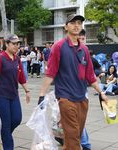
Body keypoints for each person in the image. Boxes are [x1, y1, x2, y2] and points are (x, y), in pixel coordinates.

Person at [38, 14, 108, 150]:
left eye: (79, 23)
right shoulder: (58, 47)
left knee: (72, 139)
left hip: (82, 99)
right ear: (66, 26)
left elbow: (90, 76)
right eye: (73, 23)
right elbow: (51, 72)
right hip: (66, 98)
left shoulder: (85, 50)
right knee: (74, 139)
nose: (76, 25)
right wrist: (41, 94)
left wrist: (101, 93)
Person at [0, 34, 30, 150]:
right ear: (7, 44)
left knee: (17, 119)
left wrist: (27, 90)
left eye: (17, 44)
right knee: (6, 124)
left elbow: (21, 77)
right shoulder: (0, 58)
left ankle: (2, 133)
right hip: (1, 96)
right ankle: (8, 145)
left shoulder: (17, 59)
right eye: (13, 44)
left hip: (14, 95)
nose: (16, 46)